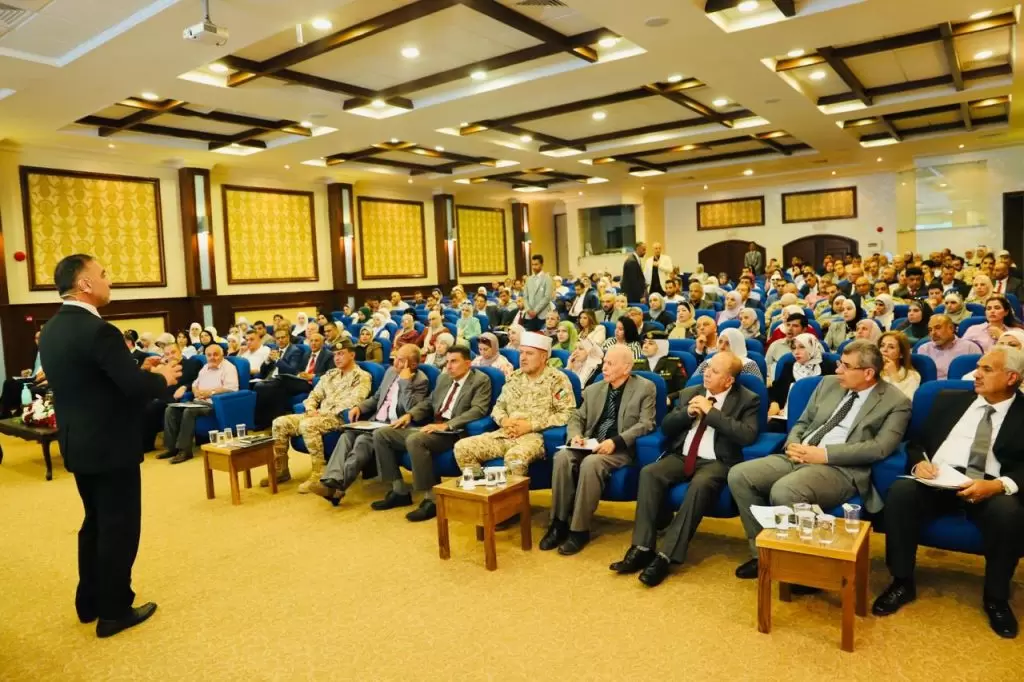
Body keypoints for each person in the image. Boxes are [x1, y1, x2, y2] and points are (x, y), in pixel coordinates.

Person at [39, 254, 181, 638]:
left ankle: (89, 601)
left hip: (79, 442)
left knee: (95, 523)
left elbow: (94, 383)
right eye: (103, 274)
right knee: (118, 528)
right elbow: (132, 390)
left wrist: (138, 371)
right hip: (110, 445)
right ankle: (115, 610)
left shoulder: (51, 329)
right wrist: (162, 377)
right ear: (85, 284)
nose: (109, 280)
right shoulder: (100, 331)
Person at [873, 347, 1024, 639]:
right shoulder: (949, 401)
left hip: (990, 485)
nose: (976, 374)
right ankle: (902, 581)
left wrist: (998, 485)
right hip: (940, 478)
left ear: (1011, 378)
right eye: (978, 366)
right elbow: (916, 444)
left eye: (987, 369)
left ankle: (996, 598)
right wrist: (919, 464)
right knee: (901, 492)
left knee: (1008, 513)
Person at [728, 341, 912, 579]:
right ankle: (764, 554)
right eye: (840, 363)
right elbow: (802, 422)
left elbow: (880, 448)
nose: (838, 370)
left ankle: (805, 566)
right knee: (740, 475)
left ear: (868, 373)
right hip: (800, 454)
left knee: (785, 491)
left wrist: (824, 454)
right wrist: (793, 444)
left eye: (846, 366)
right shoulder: (828, 384)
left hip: (840, 468)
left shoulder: (896, 402)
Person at [611, 351, 759, 586]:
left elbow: (747, 435)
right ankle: (642, 547)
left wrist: (712, 413)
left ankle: (666, 555)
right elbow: (667, 427)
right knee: (649, 473)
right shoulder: (691, 392)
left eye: (714, 371)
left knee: (700, 485)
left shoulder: (747, 399)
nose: (706, 373)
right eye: (707, 367)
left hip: (718, 461)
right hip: (682, 456)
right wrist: (687, 413)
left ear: (728, 380)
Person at [542, 346, 656, 555]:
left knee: (591, 463)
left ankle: (579, 530)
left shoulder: (645, 388)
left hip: (620, 449)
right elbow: (577, 417)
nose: (604, 367)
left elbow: (646, 424)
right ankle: (558, 523)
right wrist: (575, 436)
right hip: (591, 443)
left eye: (610, 364)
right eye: (604, 362)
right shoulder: (594, 389)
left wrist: (617, 441)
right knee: (562, 457)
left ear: (626, 368)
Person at [366, 345, 493, 518]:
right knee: (382, 434)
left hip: (454, 432)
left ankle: (431, 499)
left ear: (468, 363)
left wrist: (448, 425)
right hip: (433, 427)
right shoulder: (444, 378)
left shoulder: (480, 380)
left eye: (454, 362)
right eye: (447, 362)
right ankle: (399, 491)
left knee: (415, 440)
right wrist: (410, 415)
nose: (449, 366)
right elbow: (429, 402)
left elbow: (478, 410)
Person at [311, 344, 428, 499]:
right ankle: (332, 479)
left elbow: (411, 409)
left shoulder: (420, 380)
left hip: (395, 426)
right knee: (347, 435)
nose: (395, 363)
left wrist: (405, 382)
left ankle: (338, 486)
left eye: (401, 361)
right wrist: (359, 407)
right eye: (395, 358)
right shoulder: (390, 372)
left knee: (362, 441)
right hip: (376, 421)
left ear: (412, 364)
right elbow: (377, 398)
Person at [454, 332, 576, 475]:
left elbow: (568, 413)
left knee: (514, 459)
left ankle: (514, 491)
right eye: (521, 353)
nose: (523, 358)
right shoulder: (514, 377)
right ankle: (480, 486)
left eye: (529, 353)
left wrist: (531, 425)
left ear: (543, 357)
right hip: (505, 434)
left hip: (534, 438)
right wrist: (504, 420)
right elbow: (499, 406)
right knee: (462, 447)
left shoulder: (557, 379)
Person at [268, 339, 373, 490]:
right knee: (279, 422)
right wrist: (310, 409)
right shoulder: (330, 375)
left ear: (352, 355)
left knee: (308, 425)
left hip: (339, 418)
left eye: (341, 354)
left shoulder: (361, 376)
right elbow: (314, 395)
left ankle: (318, 475)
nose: (337, 358)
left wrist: (322, 413)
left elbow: (355, 401)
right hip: (318, 415)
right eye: (335, 354)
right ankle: (281, 470)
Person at [159, 343, 239, 464]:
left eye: (215, 354)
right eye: (209, 355)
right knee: (171, 409)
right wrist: (196, 391)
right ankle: (172, 448)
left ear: (222, 355)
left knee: (189, 411)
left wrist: (210, 393)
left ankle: (185, 451)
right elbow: (194, 384)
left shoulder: (229, 368)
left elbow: (232, 388)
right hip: (199, 401)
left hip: (215, 404)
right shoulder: (205, 367)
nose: (212, 357)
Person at [252, 327, 312, 428]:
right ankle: (264, 422)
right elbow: (262, 372)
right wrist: (267, 360)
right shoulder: (275, 349)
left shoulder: (295, 351)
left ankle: (270, 422)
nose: (280, 340)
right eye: (278, 338)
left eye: (283, 337)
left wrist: (277, 360)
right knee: (258, 386)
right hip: (272, 380)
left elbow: (292, 371)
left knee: (265, 387)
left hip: (288, 380)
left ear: (288, 337)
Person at [768, 333, 834, 418]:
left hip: (819, 416)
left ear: (813, 348)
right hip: (788, 416)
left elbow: (833, 397)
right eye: (794, 348)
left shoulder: (828, 368)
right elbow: (775, 391)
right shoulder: (789, 367)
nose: (796, 352)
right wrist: (774, 403)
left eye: (802, 347)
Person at [917, 314, 983, 379]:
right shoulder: (924, 349)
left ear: (951, 328)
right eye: (930, 330)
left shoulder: (970, 347)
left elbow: (979, 375)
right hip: (933, 385)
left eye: (938, 328)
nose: (933, 333)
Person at [693, 327, 764, 381]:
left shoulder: (748, 365)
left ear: (737, 346)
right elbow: (693, 383)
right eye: (720, 342)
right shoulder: (708, 363)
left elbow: (758, 390)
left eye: (728, 343)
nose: (722, 347)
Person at [877, 331, 921, 399]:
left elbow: (905, 403)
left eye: (891, 347)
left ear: (901, 354)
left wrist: (893, 375)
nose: (884, 350)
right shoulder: (872, 370)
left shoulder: (912, 376)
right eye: (882, 345)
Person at [523, 254, 554, 332]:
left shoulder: (547, 278)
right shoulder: (528, 279)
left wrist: (535, 311)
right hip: (529, 315)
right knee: (530, 337)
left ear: (542, 264)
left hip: (543, 314)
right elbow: (525, 297)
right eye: (532, 264)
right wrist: (528, 310)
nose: (534, 267)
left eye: (536, 264)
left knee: (543, 336)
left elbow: (547, 297)